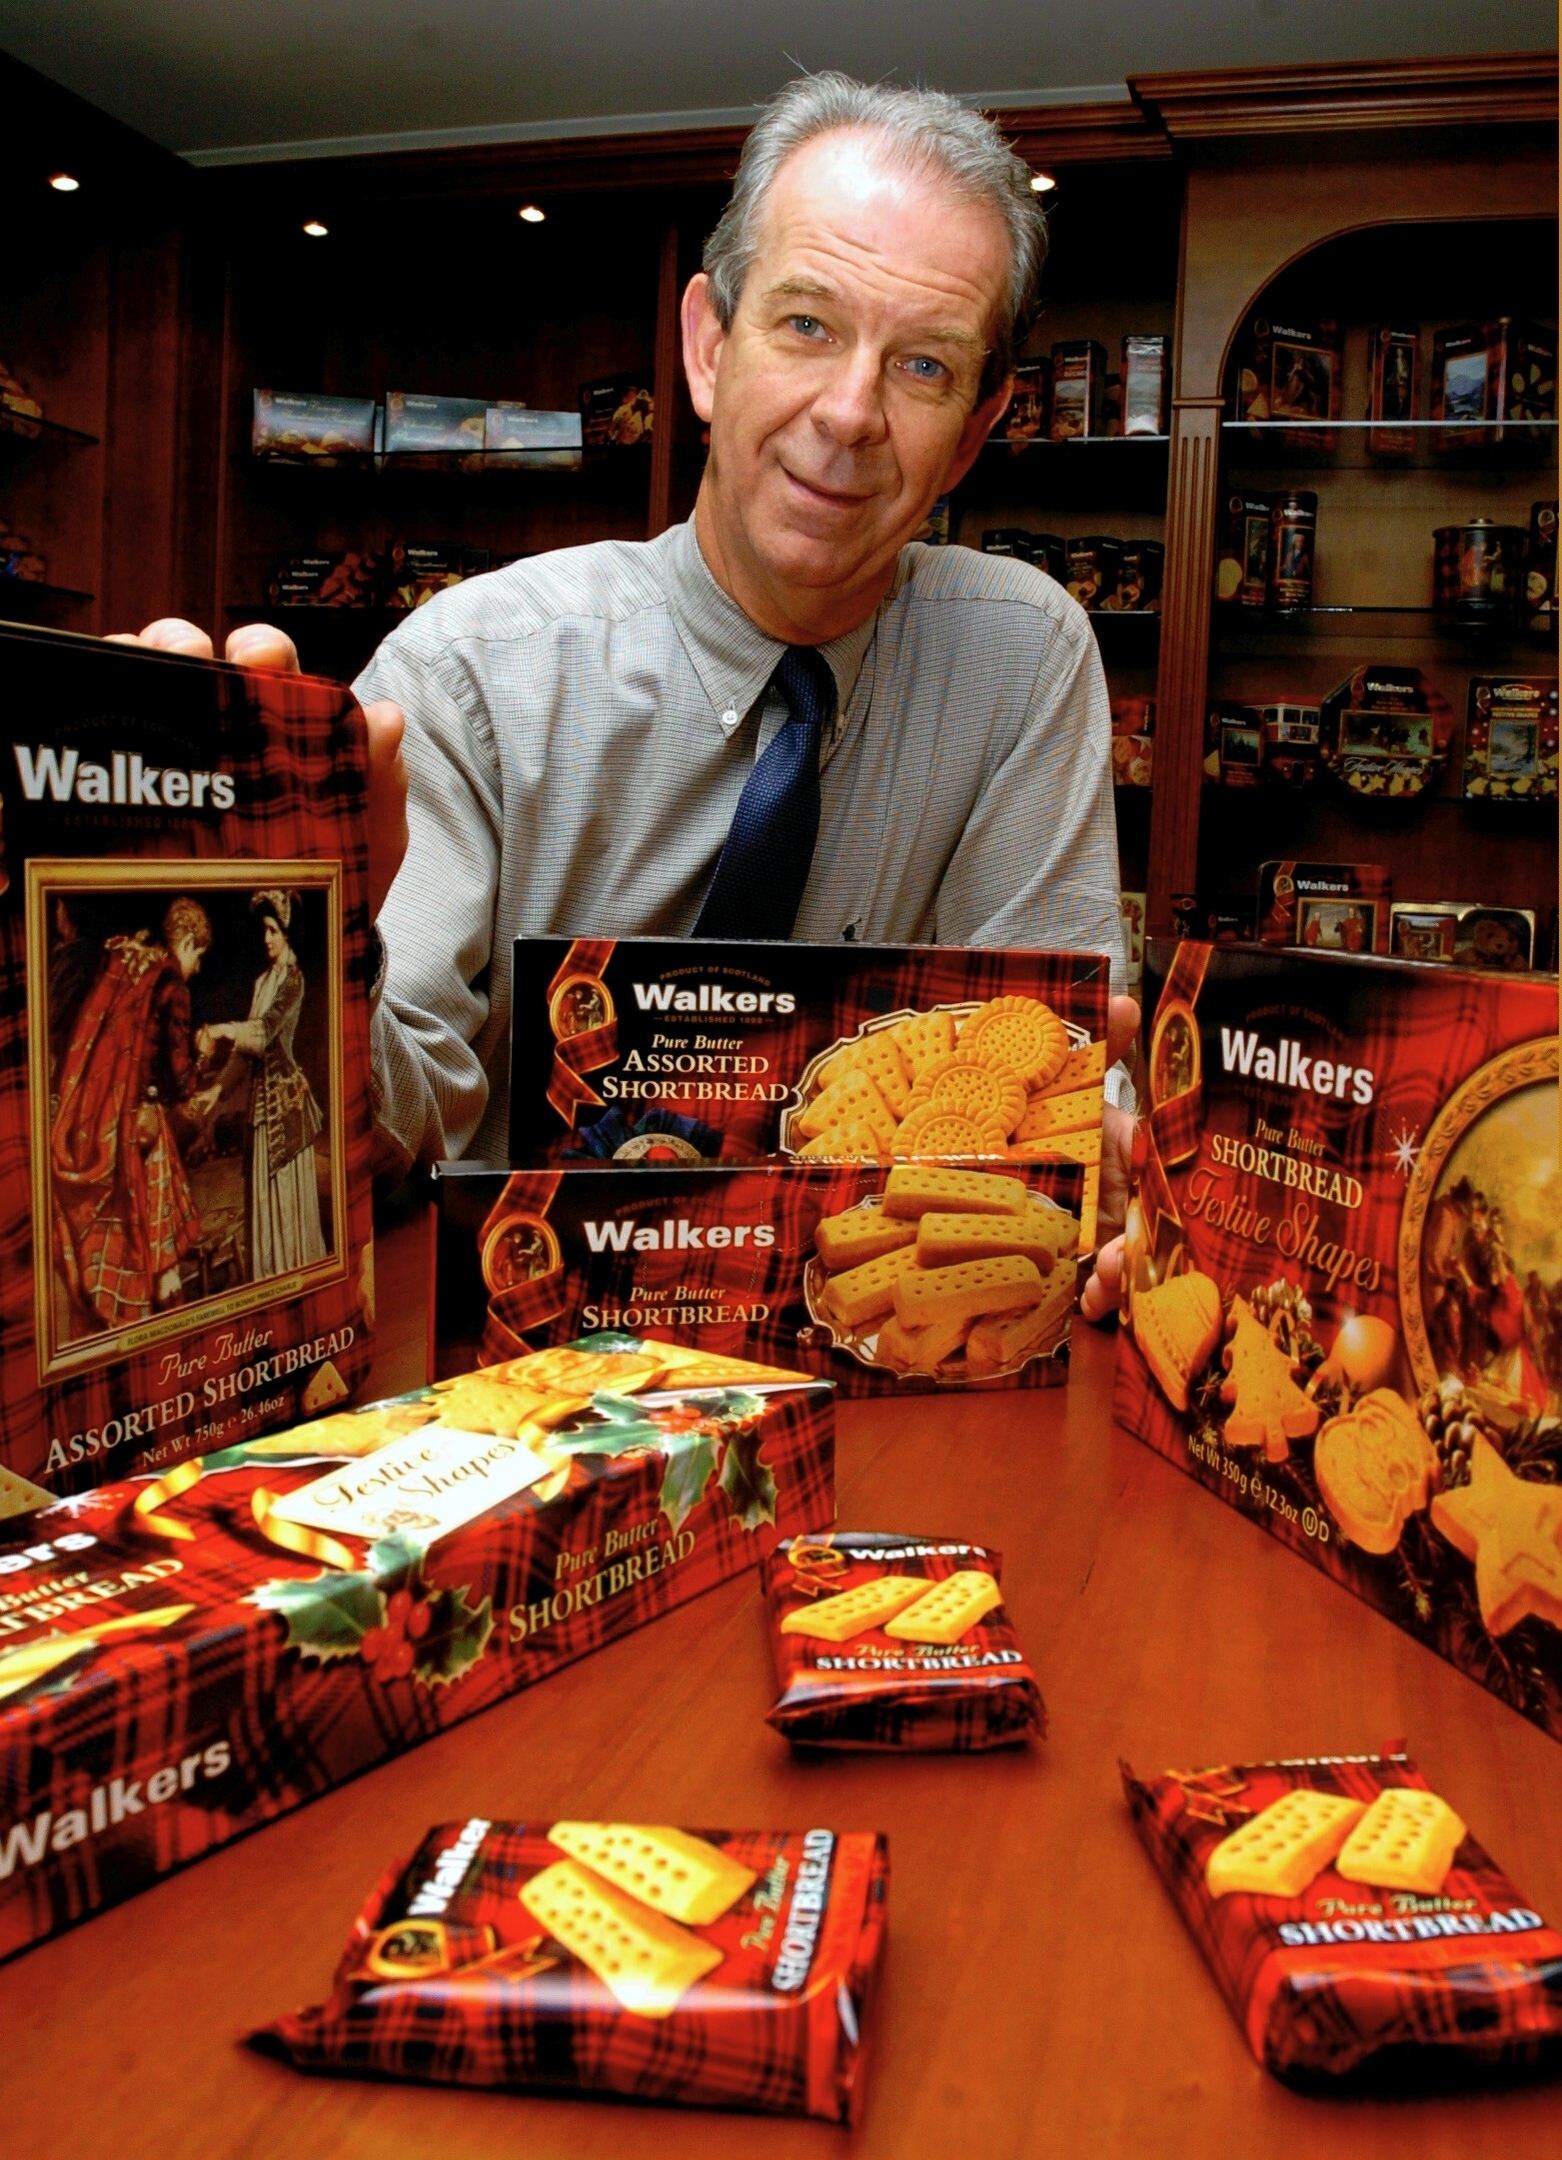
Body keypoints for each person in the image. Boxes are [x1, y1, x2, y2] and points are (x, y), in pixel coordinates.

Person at [114, 72, 1137, 1317]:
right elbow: (395, 1126)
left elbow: (1033, 1110)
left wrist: (1112, 1179)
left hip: (876, 1346)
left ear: (971, 437)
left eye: (920, 366)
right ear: (708, 349)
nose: (849, 413)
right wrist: (298, 955)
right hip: (522, 1357)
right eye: (806, 326)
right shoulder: (469, 672)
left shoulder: (1019, 659)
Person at [51, 897, 222, 1331]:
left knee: (126, 1238)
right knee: (154, 1247)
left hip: (104, 1123)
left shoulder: (129, 966)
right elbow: (179, 1081)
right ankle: (162, 1324)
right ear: (184, 942)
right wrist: (204, 1059)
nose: (198, 968)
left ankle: (127, 1320)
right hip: (142, 1129)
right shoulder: (172, 987)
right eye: (198, 955)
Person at [199, 890, 328, 1279]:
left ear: (288, 933)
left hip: (287, 1112)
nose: (266, 938)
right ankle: (268, 1280)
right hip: (261, 1108)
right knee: (262, 1196)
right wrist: (217, 1090)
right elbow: (244, 1053)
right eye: (264, 930)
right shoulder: (261, 983)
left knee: (286, 1199)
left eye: (273, 930)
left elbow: (264, 1033)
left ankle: (292, 1276)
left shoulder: (293, 980)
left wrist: (221, 1028)